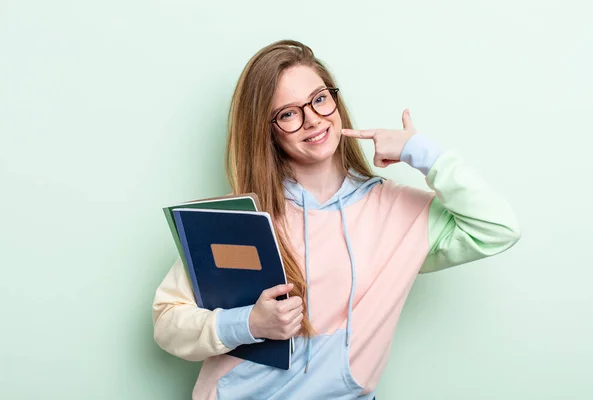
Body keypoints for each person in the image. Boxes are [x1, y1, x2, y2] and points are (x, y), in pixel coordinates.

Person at [152, 39, 521, 399]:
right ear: (268, 131)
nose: (313, 119)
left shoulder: (398, 212)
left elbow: (498, 228)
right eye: (288, 113)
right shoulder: (239, 220)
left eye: (319, 99)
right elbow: (168, 323)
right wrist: (248, 323)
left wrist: (420, 152)